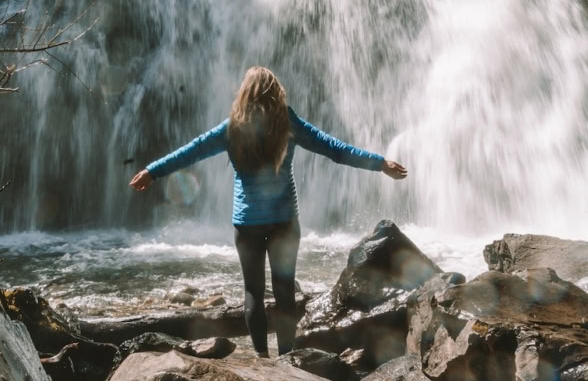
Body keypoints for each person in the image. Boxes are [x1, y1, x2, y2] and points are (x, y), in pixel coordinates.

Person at [129, 66, 407, 357]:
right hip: (284, 221)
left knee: (253, 293)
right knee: (285, 291)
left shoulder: (231, 128)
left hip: (246, 223)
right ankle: (287, 357)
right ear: (276, 94)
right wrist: (380, 164)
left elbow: (191, 151)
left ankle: (261, 357)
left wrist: (152, 172)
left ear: (244, 94)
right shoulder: (288, 123)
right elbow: (334, 149)